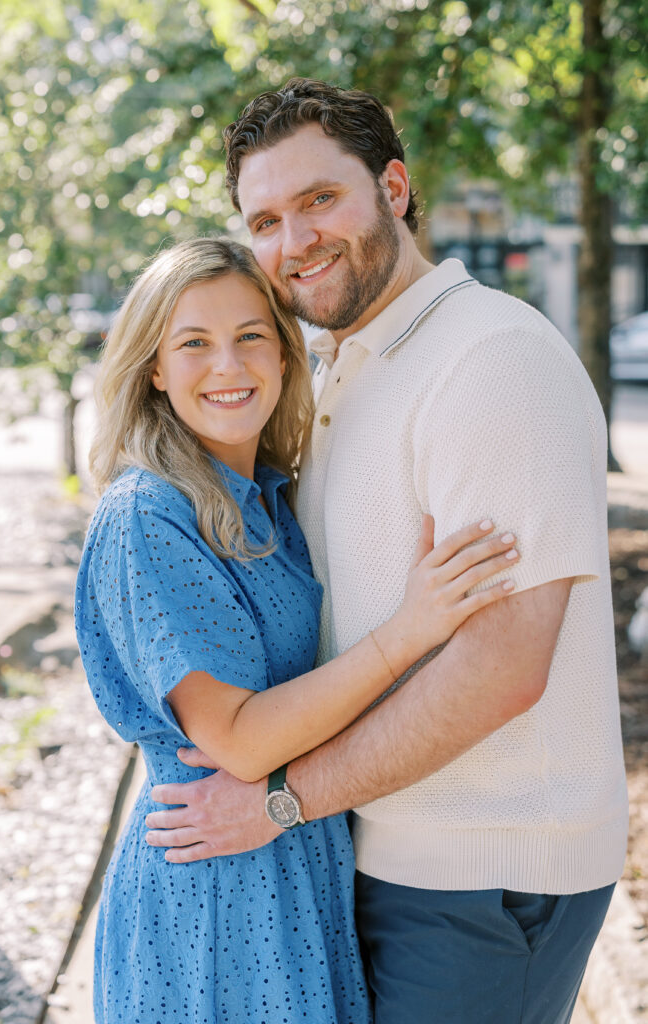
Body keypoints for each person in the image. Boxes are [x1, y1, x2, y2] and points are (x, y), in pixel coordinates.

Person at [144, 80, 629, 1023]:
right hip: (374, 845)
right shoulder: (343, 366)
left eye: (321, 199)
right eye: (268, 219)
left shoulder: (490, 359)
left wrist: (281, 802)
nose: (297, 241)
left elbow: (500, 669)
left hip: (478, 871)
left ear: (394, 188)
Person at [74, 235, 519, 1024]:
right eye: (193, 344)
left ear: (285, 355)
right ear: (153, 369)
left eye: (252, 336)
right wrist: (409, 629)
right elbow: (241, 741)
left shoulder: (268, 497)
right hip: (212, 888)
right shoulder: (149, 513)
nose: (228, 366)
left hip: (294, 862)